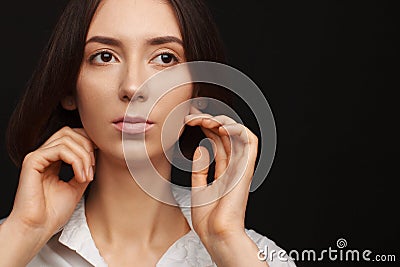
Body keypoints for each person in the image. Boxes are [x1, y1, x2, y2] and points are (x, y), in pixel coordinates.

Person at [0, 0, 296, 266]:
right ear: (69, 88)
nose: (133, 86)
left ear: (197, 90)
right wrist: (24, 231)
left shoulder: (256, 255)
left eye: (165, 58)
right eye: (104, 57)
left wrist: (226, 244)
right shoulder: (15, 242)